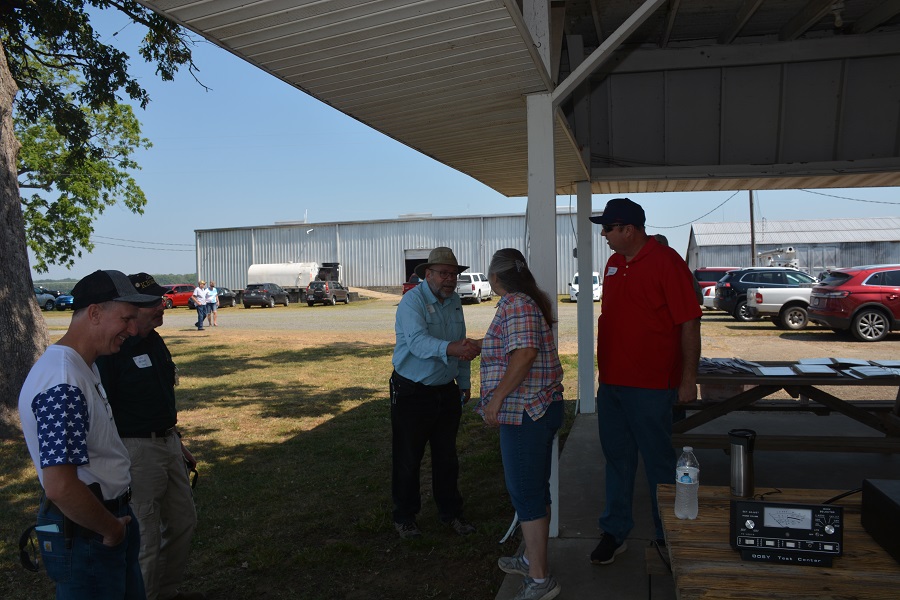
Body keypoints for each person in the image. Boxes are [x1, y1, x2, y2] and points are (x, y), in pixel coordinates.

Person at [18, 269, 163, 599]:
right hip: (91, 534)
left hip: (103, 524)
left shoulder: (82, 366)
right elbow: (60, 485)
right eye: (126, 318)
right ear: (95, 313)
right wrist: (110, 530)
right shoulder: (63, 382)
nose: (132, 329)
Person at [588, 198, 702, 565]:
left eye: (608, 228)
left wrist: (688, 379)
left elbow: (689, 322)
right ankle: (614, 530)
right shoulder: (613, 263)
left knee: (658, 463)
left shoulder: (667, 262)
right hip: (613, 384)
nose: (603, 235)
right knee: (617, 459)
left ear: (628, 230)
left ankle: (666, 534)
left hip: (652, 387)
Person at [96, 273, 204, 600]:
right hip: (136, 451)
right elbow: (103, 412)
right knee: (145, 538)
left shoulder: (154, 340)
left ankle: (165, 593)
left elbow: (159, 397)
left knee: (183, 522)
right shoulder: (113, 349)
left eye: (160, 300)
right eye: (152, 302)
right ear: (132, 307)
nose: (161, 306)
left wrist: (177, 441)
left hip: (168, 443)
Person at [475, 248, 565, 600]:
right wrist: (484, 345)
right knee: (535, 490)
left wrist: (496, 398)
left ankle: (540, 581)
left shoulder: (516, 304)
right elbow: (517, 346)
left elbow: (525, 353)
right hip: (536, 409)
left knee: (526, 493)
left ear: (495, 277)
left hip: (526, 412)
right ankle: (531, 559)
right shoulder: (526, 302)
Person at [391, 246, 480, 539]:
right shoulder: (411, 301)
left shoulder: (454, 300)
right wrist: (452, 348)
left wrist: (464, 382)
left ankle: (451, 513)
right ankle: (404, 517)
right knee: (408, 458)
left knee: (447, 457)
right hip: (412, 392)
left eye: (453, 274)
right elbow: (418, 343)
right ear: (428, 274)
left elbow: (461, 341)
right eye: (444, 273)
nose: (450, 279)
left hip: (446, 391)